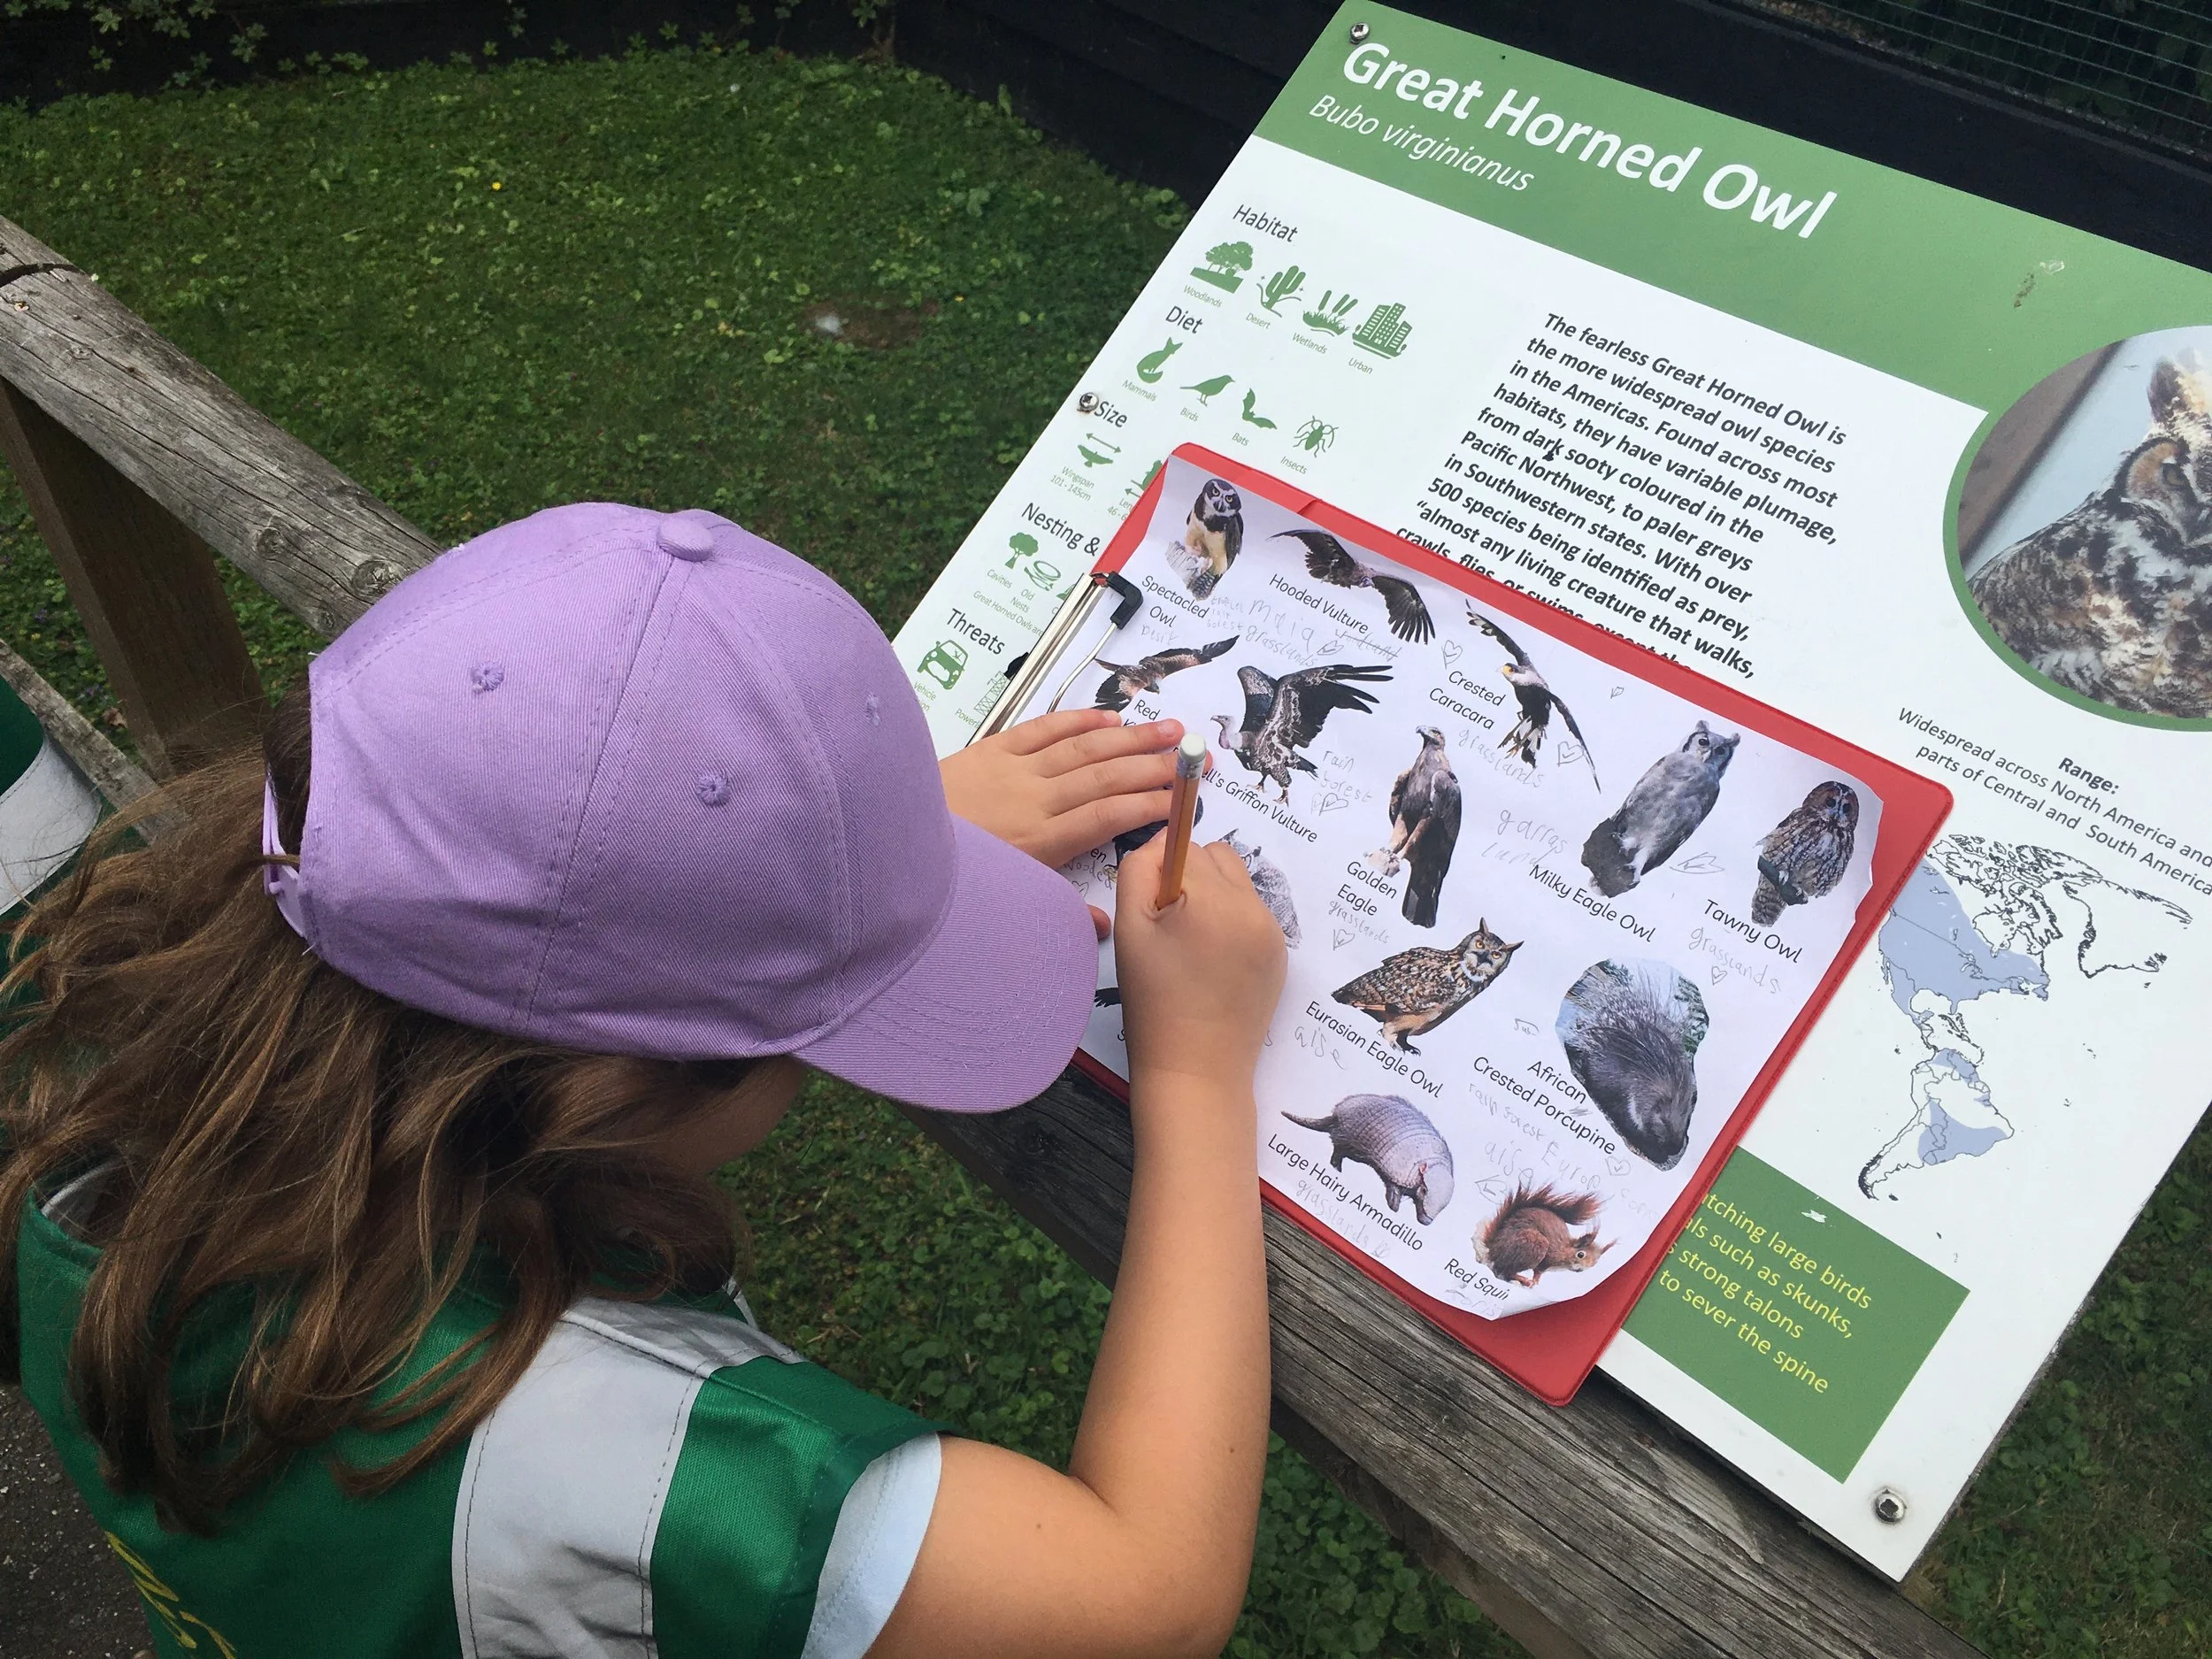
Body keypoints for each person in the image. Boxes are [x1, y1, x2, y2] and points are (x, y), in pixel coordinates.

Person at [0, 504, 1287, 1659]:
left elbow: (555, 863)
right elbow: (1148, 1593)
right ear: (612, 1092)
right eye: (804, 1036)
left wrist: (848, 863)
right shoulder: (654, 1478)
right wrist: (1193, 1080)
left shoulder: (85, 1088)